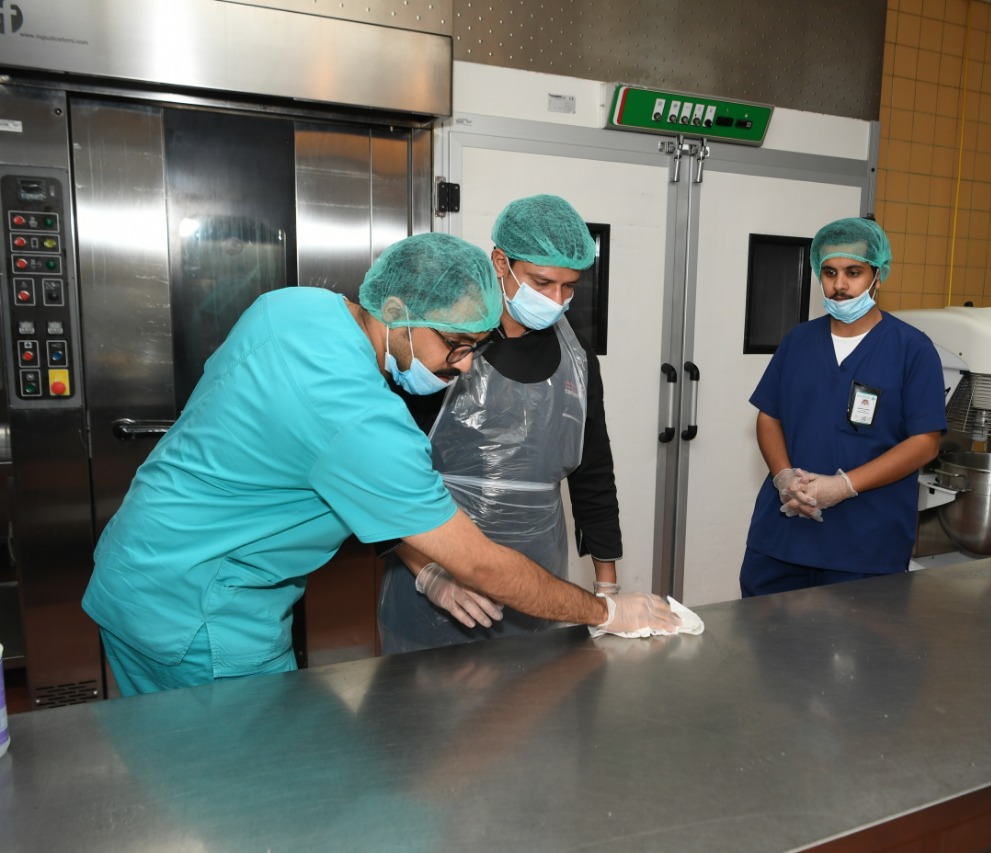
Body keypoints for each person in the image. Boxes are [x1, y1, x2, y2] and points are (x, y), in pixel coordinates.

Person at [82, 232, 679, 695]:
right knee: (250, 786)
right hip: (202, 615)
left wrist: (428, 570)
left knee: (175, 762)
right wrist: (606, 609)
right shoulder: (361, 419)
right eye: (456, 345)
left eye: (475, 347)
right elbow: (482, 564)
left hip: (138, 567)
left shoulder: (292, 307)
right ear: (396, 312)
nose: (464, 367)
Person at [378, 195, 625, 652]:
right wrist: (429, 575)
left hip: (540, 579)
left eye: (569, 287)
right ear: (499, 262)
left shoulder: (576, 357)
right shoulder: (444, 340)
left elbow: (593, 473)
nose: (556, 300)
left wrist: (607, 590)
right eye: (542, 282)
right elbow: (385, 477)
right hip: (437, 581)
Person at [739, 217, 947, 597]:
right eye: (830, 272)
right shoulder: (798, 341)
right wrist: (783, 477)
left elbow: (925, 443)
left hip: (865, 544)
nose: (840, 285)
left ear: (878, 276)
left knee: (853, 634)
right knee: (763, 632)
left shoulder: (912, 349)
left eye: (854, 272)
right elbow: (769, 416)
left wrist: (844, 486)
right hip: (783, 535)